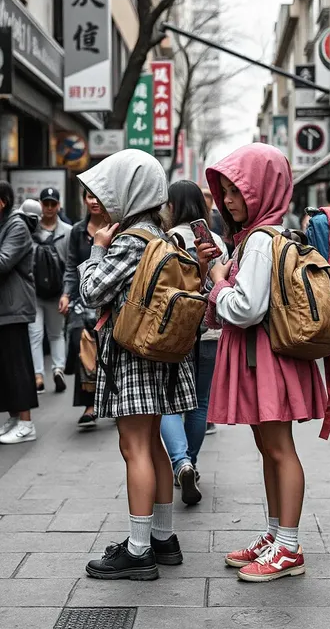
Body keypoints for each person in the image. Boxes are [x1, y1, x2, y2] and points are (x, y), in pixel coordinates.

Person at [196, 143, 330, 583]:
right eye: (225, 191)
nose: (228, 200)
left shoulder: (257, 241)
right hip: (265, 358)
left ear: (262, 190)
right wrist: (217, 281)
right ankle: (276, 536)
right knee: (269, 449)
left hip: (266, 359)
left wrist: (216, 283)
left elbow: (246, 308)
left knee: (278, 449)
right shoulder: (258, 237)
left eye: (237, 190)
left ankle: (287, 547)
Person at [78, 150, 197, 581]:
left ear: (130, 192)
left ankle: (138, 549)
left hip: (135, 359)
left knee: (134, 449)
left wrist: (96, 249)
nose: (100, 199)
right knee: (155, 447)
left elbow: (92, 291)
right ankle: (163, 539)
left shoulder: (129, 241)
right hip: (161, 356)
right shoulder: (162, 236)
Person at [161, 180, 228, 505]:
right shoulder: (215, 239)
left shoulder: (168, 239)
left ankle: (181, 462)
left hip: (179, 330)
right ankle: (193, 463)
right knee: (200, 403)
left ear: (172, 205)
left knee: (168, 401)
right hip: (211, 329)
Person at [61, 191, 104, 428]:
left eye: (98, 196)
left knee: (108, 349)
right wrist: (66, 294)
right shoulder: (77, 230)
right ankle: (90, 404)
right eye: (89, 196)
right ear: (83, 199)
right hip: (81, 299)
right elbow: (70, 267)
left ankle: (112, 400)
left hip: (108, 300)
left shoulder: (114, 227)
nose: (94, 201)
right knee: (81, 344)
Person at [0, 182, 39, 445]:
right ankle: (14, 418)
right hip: (4, 307)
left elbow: (3, 262)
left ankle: (26, 423)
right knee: (6, 368)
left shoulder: (17, 225)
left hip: (13, 307)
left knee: (18, 366)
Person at [28, 187, 72, 394]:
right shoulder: (30, 229)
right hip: (34, 292)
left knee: (56, 334)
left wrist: (67, 293)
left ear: (58, 205)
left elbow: (70, 265)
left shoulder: (67, 232)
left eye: (52, 204)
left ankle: (58, 370)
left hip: (57, 292)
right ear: (40, 204)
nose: (49, 208)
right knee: (35, 334)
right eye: (45, 203)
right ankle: (38, 375)